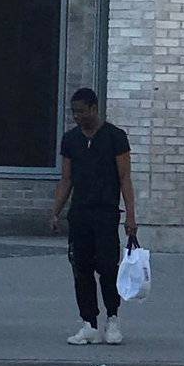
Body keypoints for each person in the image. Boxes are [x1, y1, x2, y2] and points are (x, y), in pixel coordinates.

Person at [51, 88, 137, 345]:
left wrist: (130, 216)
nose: (77, 116)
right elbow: (66, 179)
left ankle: (112, 319)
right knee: (81, 268)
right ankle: (88, 322)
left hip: (106, 213)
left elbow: (125, 178)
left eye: (81, 111)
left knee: (109, 268)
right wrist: (55, 212)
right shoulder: (70, 139)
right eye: (74, 111)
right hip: (79, 214)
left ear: (94, 108)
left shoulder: (115, 137)